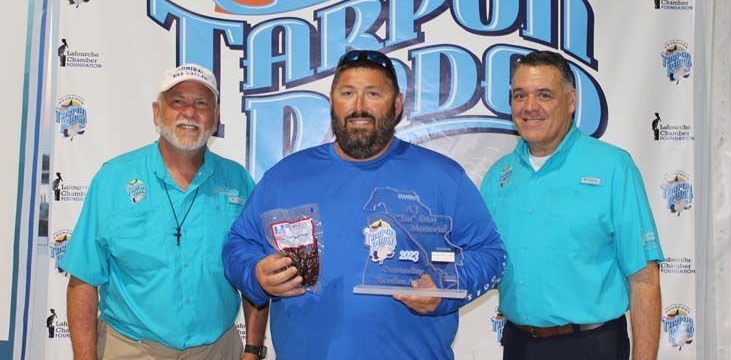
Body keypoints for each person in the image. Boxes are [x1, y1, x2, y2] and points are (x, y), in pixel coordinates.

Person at [223, 49, 505, 359]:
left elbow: (491, 255)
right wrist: (256, 275)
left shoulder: (442, 177)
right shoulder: (285, 176)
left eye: (373, 94)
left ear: (396, 105)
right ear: (332, 102)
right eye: (347, 93)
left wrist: (446, 289)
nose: (359, 106)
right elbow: (238, 244)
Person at [61, 64, 268, 360]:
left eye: (201, 103)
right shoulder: (113, 179)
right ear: (157, 113)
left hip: (218, 350)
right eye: (178, 102)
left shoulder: (239, 183)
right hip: (130, 348)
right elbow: (82, 279)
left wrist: (253, 349)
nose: (190, 112)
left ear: (216, 116)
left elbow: (254, 274)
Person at [480, 50, 663, 360]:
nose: (529, 107)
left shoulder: (614, 168)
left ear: (571, 101)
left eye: (544, 95)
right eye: (519, 95)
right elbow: (478, 259)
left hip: (592, 345)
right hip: (518, 345)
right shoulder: (498, 176)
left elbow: (644, 279)